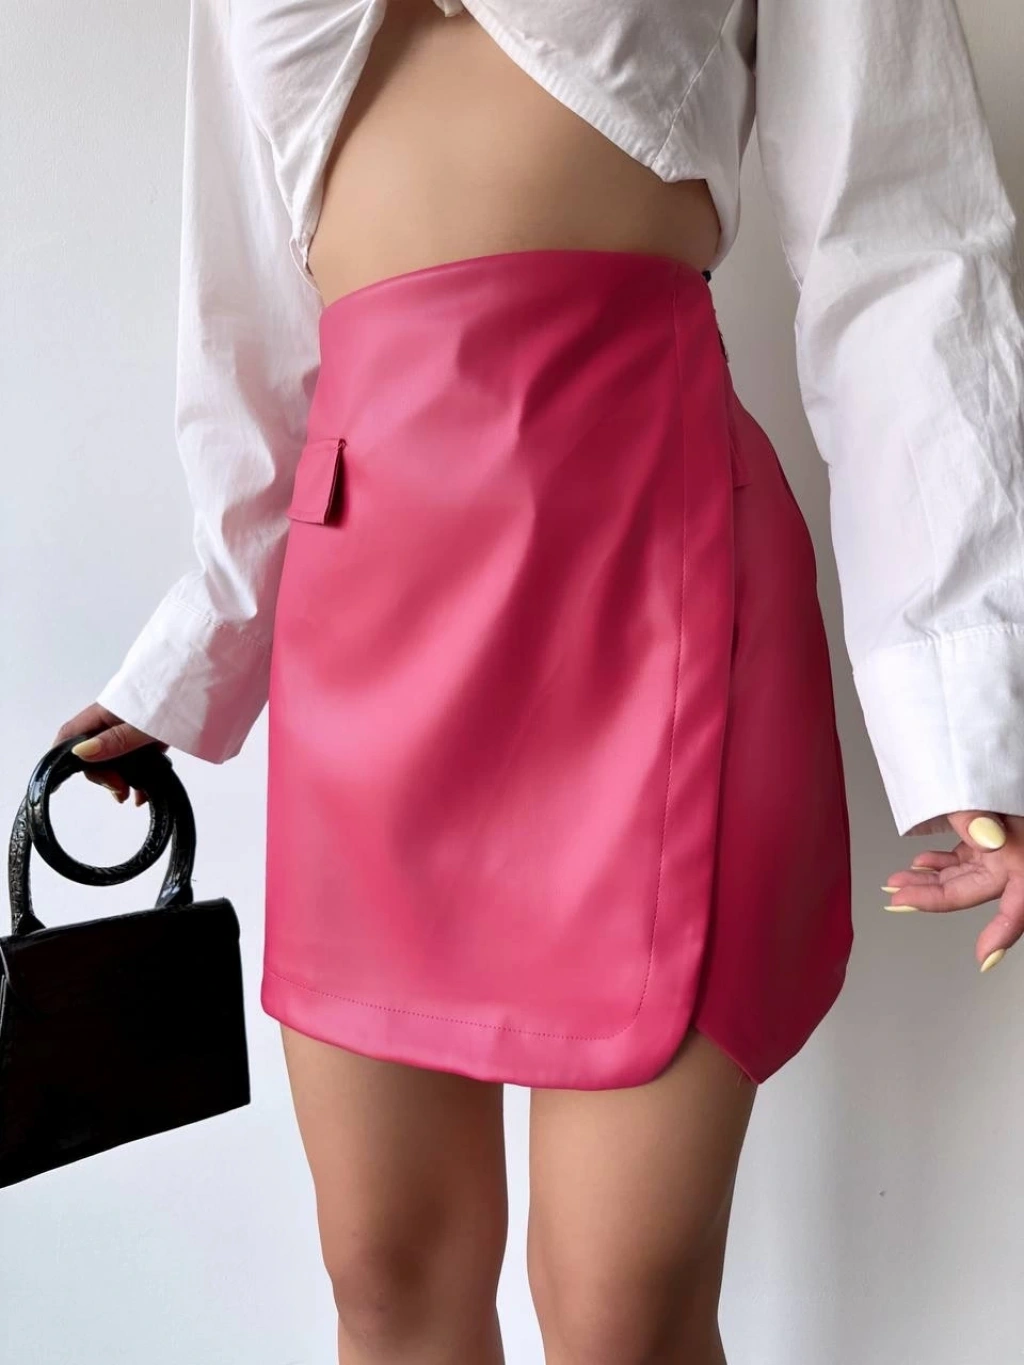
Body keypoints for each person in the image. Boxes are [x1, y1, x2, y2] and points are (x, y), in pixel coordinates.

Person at [52, 2, 1024, 1360]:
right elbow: (246, 302)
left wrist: (971, 718)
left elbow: (901, 235)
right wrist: (201, 644)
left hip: (661, 576)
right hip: (365, 631)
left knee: (625, 1309)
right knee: (388, 1275)